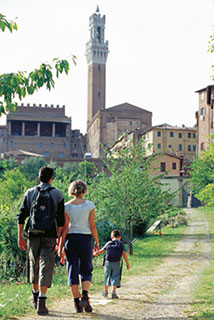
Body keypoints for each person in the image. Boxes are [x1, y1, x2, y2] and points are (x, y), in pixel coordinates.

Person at [17, 166, 65, 316]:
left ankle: (35, 295)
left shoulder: (30, 192)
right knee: (46, 264)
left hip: (33, 234)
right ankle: (42, 302)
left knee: (34, 262)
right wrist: (59, 239)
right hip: (50, 234)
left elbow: (21, 216)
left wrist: (20, 237)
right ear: (51, 178)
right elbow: (61, 220)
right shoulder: (57, 194)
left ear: (39, 177)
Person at [63, 179, 99, 313]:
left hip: (71, 239)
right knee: (86, 268)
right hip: (85, 238)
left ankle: (76, 303)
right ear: (84, 190)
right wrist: (97, 241)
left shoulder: (67, 206)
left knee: (72, 269)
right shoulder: (89, 205)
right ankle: (85, 295)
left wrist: (61, 244)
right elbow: (92, 225)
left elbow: (65, 227)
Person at [94, 229, 129, 299]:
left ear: (112, 236)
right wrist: (127, 263)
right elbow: (124, 253)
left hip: (108, 263)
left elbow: (101, 251)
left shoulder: (108, 243)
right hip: (117, 262)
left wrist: (95, 253)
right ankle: (113, 293)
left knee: (107, 276)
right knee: (115, 277)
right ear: (120, 237)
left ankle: (105, 291)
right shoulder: (121, 244)